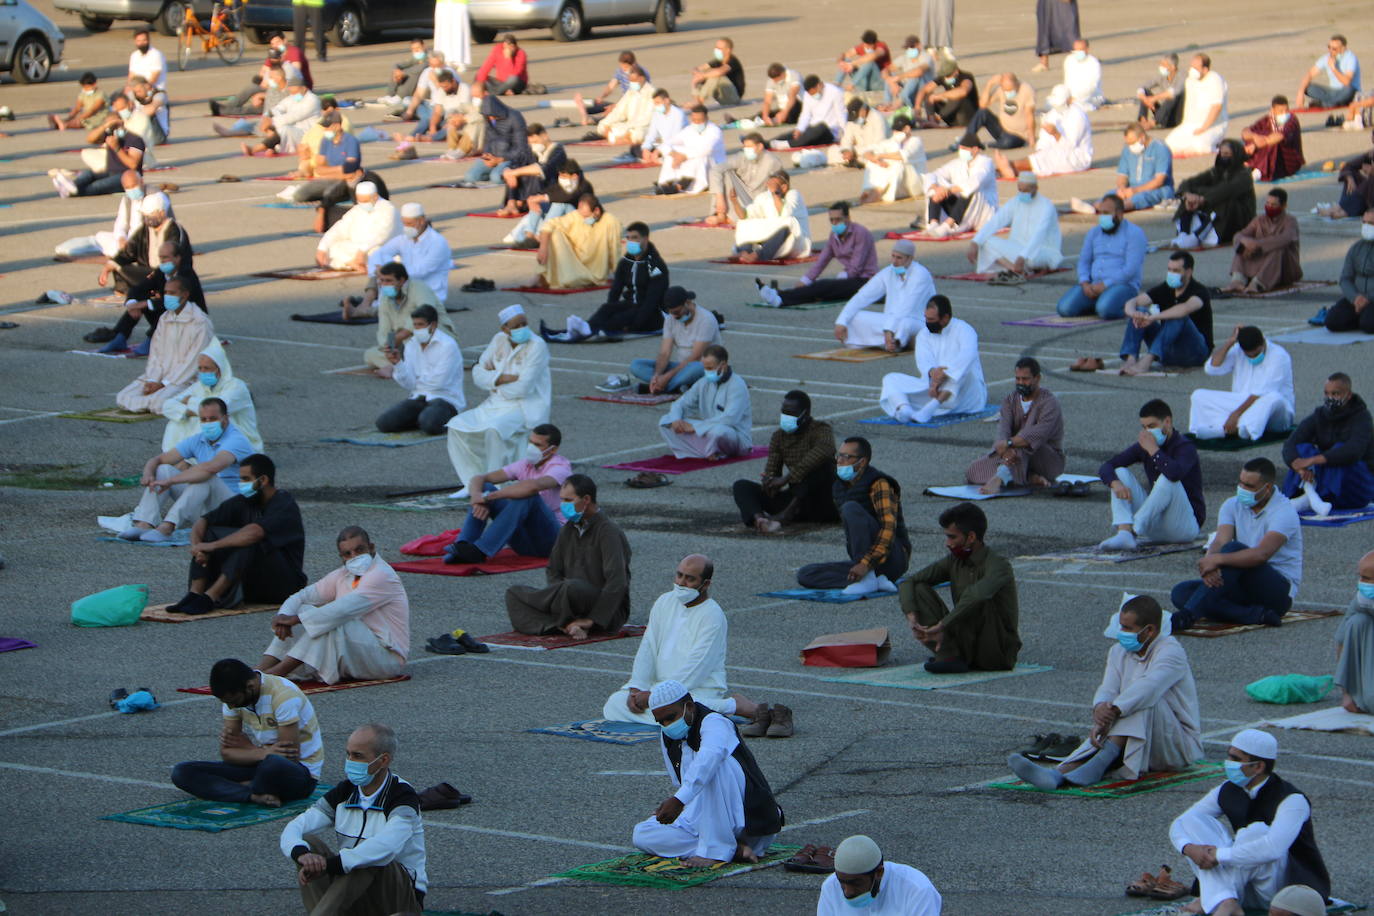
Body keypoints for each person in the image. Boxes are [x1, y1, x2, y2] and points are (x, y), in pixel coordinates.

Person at [1010, 595, 1201, 791]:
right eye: (1121, 626)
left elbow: (1149, 686)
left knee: (1141, 701)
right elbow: (1108, 688)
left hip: (1176, 746)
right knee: (1123, 703)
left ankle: (1096, 765)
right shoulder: (1118, 651)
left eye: (1128, 628)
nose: (1122, 632)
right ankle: (1058, 774)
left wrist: (1114, 711)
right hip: (1132, 734)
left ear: (1150, 630)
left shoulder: (1171, 651)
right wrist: (1101, 708)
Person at [604, 557, 784, 735]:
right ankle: (722, 709)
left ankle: (733, 706)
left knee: (683, 714)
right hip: (656, 688)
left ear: (705, 584)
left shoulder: (712, 615)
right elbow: (648, 648)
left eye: (690, 579)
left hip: (695, 689)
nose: (682, 583)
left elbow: (697, 668)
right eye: (679, 575)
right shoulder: (664, 601)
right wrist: (637, 688)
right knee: (614, 705)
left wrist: (653, 697)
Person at [1168, 729, 1330, 915]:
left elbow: (1272, 849)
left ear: (1258, 766)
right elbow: (1182, 823)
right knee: (1193, 821)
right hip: (1241, 886)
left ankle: (1212, 899)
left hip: (1281, 891)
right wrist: (1188, 848)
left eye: (1235, 759)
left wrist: (1218, 854)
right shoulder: (1227, 790)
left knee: (1256, 832)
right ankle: (1226, 900)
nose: (1228, 763)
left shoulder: (1292, 800)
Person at [635, 679, 786, 871]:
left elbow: (708, 760)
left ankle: (716, 850)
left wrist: (679, 800)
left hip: (745, 814)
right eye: (661, 721)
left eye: (670, 718)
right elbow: (683, 785)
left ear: (689, 707)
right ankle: (734, 850)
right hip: (702, 815)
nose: (667, 725)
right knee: (642, 833)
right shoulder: (668, 735)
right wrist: (677, 808)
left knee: (716, 768)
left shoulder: (715, 722)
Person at [280, 724, 429, 914]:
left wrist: (330, 865)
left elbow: (386, 847)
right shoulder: (345, 791)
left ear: (383, 760)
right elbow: (296, 827)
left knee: (367, 858)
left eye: (357, 756)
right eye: (348, 754)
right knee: (309, 843)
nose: (350, 761)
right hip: (353, 891)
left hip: (398, 898)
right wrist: (302, 855)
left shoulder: (402, 796)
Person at [162, 453, 307, 616]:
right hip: (253, 582)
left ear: (263, 480)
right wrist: (198, 548)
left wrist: (211, 546)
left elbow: (254, 533)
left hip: (283, 585)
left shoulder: (284, 504)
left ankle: (211, 597)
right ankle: (195, 594)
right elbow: (203, 522)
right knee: (210, 531)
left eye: (246, 479)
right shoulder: (244, 501)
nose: (241, 484)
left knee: (250, 540)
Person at [259, 527, 408, 685]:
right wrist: (283, 618)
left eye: (360, 550)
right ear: (341, 557)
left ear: (371, 548)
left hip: (386, 659)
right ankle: (262, 668)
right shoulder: (343, 574)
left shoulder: (381, 575)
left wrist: (295, 619)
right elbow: (301, 597)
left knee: (333, 620)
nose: (354, 557)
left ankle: (277, 672)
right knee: (304, 608)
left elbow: (342, 610)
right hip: (356, 650)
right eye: (347, 554)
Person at [1171, 458, 1303, 630]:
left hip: (1276, 589)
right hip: (1241, 582)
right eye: (1240, 483)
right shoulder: (1232, 505)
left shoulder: (1284, 512)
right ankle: (1256, 615)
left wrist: (1218, 560)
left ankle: (1187, 616)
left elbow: (1261, 554)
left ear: (1267, 488)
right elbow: (1220, 541)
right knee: (1181, 593)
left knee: (1232, 551)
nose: (1242, 489)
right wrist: (1209, 564)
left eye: (1249, 486)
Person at [172, 659, 322, 807]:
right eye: (226, 702)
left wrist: (251, 751)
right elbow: (228, 754)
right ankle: (252, 794)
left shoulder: (284, 696)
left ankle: (236, 788)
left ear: (250, 686)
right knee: (182, 771)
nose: (230, 706)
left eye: (233, 701)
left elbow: (289, 758)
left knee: (273, 764)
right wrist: (262, 753)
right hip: (261, 764)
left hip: (298, 774)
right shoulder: (232, 700)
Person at [505, 474, 632, 639]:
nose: (563, 505)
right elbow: (553, 569)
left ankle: (579, 624)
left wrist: (593, 619)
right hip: (568, 600)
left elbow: (617, 581)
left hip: (606, 609)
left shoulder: (608, 531)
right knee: (514, 594)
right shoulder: (568, 529)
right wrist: (557, 596)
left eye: (568, 500)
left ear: (586, 500)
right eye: (562, 500)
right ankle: (567, 626)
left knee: (571, 588)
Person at [900, 501, 1019, 673]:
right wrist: (912, 615)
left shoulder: (999, 565)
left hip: (995, 651)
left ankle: (954, 654)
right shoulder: (954, 560)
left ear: (971, 537)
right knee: (918, 588)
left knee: (979, 598)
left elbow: (975, 597)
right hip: (965, 641)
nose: (947, 543)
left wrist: (942, 625)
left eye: (952, 537)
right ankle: (950, 655)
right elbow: (908, 582)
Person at [446, 306, 550, 496]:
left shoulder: (538, 345)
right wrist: (501, 377)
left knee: (494, 430)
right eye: (516, 325)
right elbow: (478, 373)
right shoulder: (498, 339)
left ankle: (493, 485)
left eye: (524, 324)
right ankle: (472, 482)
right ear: (505, 329)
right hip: (495, 403)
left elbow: (524, 387)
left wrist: (493, 382)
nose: (522, 328)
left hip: (525, 406)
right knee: (456, 426)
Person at [119, 398, 255, 544]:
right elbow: (158, 460)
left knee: (206, 477)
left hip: (235, 510)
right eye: (204, 419)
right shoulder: (199, 439)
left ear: (225, 418)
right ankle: (144, 524)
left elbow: (211, 468)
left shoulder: (236, 440)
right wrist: (148, 473)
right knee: (163, 469)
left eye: (213, 418)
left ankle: (168, 527)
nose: (208, 423)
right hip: (207, 508)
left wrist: (171, 481)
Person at [796, 436, 911, 595]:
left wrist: (865, 564)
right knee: (806, 574)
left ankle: (868, 578)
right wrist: (861, 565)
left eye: (846, 457)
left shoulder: (879, 483)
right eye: (839, 456)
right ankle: (875, 580)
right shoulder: (839, 486)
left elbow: (889, 529)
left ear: (862, 462)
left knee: (851, 508)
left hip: (892, 557)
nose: (840, 461)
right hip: (864, 561)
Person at [447, 424, 571, 564]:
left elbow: (532, 487)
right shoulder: (525, 465)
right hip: (525, 543)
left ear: (553, 449)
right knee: (485, 487)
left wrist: (488, 497)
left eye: (537, 445)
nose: (531, 448)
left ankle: (481, 551)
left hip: (552, 542)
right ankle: (462, 546)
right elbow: (480, 478)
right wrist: (477, 497)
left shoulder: (560, 468)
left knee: (528, 496)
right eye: (530, 442)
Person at [1098, 399, 1206, 550]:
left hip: (1184, 526)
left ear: (1167, 422)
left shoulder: (1185, 447)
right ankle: (1124, 533)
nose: (1148, 431)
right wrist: (1115, 483)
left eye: (1152, 426)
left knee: (1167, 478)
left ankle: (1134, 530)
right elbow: (1107, 466)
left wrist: (1153, 450)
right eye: (1144, 427)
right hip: (1154, 523)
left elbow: (1174, 474)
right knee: (1119, 472)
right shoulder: (1146, 444)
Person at [733, 390, 838, 534]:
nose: (786, 417)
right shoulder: (779, 436)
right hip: (797, 499)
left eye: (791, 413)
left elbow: (824, 452)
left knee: (820, 466)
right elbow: (773, 467)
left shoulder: (820, 430)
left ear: (805, 414)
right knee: (741, 486)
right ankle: (760, 520)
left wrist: (786, 478)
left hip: (822, 501)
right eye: (784, 412)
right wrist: (769, 481)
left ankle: (786, 515)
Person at [549, 222, 668, 340]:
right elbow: (616, 290)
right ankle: (588, 327)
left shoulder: (656, 266)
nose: (631, 242)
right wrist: (612, 307)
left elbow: (652, 300)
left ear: (645, 239)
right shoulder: (625, 262)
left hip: (653, 313)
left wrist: (634, 326)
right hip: (631, 304)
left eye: (635, 238)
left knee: (618, 319)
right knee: (606, 309)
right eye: (628, 238)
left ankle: (590, 330)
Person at [880, 295, 987, 425]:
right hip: (933, 388)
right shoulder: (924, 334)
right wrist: (933, 375)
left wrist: (945, 374)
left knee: (961, 371)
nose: (927, 322)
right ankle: (905, 410)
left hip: (966, 395)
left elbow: (967, 356)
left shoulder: (965, 330)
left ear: (945, 318)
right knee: (891, 378)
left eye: (931, 319)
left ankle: (929, 410)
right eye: (926, 318)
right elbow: (924, 362)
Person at [1281, 373, 1374, 516]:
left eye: (1335, 393)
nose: (1330, 398)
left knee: (1338, 452)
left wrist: (1313, 460)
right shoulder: (1320, 415)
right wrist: (1298, 466)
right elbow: (1291, 443)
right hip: (1327, 476)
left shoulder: (1362, 418)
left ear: (1348, 395)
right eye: (1327, 393)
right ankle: (1310, 495)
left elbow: (1353, 451)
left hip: (1357, 482)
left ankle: (1311, 496)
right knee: (1303, 449)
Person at [114, 279, 213, 413]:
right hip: (160, 376)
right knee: (123, 398)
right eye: (166, 292)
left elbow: (194, 361)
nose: (167, 296)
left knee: (158, 404)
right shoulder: (165, 318)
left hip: (184, 379)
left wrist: (164, 384)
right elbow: (156, 354)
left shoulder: (199, 322)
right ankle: (153, 398)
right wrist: (153, 379)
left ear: (185, 295)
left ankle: (196, 399)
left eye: (172, 293)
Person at [966, 358, 1062, 494]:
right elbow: (1003, 430)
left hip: (1046, 459)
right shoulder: (1010, 400)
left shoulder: (1049, 403)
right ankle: (1028, 477)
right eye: (1018, 379)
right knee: (974, 470)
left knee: (1023, 445)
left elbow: (1037, 435)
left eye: (1025, 379)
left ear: (1037, 378)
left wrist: (1010, 443)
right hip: (1012, 454)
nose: (1021, 383)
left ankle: (999, 479)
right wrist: (1005, 449)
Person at [758, 202, 878, 307]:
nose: (835, 223)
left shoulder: (861, 233)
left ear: (848, 218)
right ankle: (780, 298)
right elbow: (822, 261)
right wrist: (805, 280)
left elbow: (856, 267)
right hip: (849, 279)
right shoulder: (834, 236)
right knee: (816, 288)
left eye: (838, 219)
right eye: (832, 220)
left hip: (865, 281)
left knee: (823, 286)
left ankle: (780, 296)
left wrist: (839, 280)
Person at [1189, 326, 1295, 442]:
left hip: (1275, 413)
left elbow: (1261, 393)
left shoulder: (1279, 356)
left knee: (1274, 398)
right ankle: (1215, 428)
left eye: (1255, 354)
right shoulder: (1238, 350)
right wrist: (1229, 343)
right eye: (1248, 355)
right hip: (1244, 403)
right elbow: (1212, 368)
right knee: (1199, 395)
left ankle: (1239, 429)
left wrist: (1236, 414)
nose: (1252, 358)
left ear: (1263, 343)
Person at [1118, 251, 1214, 375]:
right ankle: (1131, 359)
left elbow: (1185, 308)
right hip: (1167, 350)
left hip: (1194, 353)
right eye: (1169, 270)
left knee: (1178, 316)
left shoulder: (1200, 291)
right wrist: (1133, 314)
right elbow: (1133, 302)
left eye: (1176, 271)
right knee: (1140, 311)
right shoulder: (1166, 288)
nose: (1171, 274)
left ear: (1188, 272)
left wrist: (1153, 317)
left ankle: (1147, 360)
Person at [375, 306, 464, 436]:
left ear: (433, 325)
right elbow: (409, 384)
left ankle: (441, 418)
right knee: (384, 423)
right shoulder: (412, 344)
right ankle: (422, 417)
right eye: (415, 325)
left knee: (429, 424)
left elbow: (438, 383)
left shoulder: (448, 346)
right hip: (419, 398)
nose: (417, 329)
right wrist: (398, 363)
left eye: (421, 325)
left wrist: (417, 381)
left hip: (445, 399)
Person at [161, 340, 263, 452]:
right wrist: (187, 412)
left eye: (207, 368)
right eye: (200, 368)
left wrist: (190, 401)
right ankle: (176, 457)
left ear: (219, 369)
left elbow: (217, 408)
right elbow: (167, 405)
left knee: (211, 421)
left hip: (243, 443)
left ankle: (199, 460)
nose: (203, 372)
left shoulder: (237, 387)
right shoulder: (199, 386)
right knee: (177, 422)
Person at [834, 239, 937, 350]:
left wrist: (889, 329)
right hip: (890, 321)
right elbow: (863, 296)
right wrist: (841, 321)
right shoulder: (888, 272)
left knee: (905, 325)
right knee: (854, 317)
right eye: (893, 256)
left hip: (917, 321)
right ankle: (890, 341)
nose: (894, 261)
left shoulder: (921, 274)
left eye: (899, 258)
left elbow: (907, 307)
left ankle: (895, 342)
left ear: (910, 259)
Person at [1057, 195, 1147, 319]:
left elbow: (1130, 269)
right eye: (1100, 213)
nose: (1102, 217)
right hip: (1094, 285)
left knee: (1105, 310)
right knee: (1064, 309)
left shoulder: (1134, 233)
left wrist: (1105, 285)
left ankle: (1134, 309)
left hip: (1122, 286)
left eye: (1106, 213)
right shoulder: (1094, 233)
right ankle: (1103, 304)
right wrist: (1084, 283)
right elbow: (1084, 261)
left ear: (1119, 214)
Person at [657, 345, 752, 461]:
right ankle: (705, 452)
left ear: (723, 365)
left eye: (710, 368)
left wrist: (695, 427)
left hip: (735, 437)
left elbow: (730, 419)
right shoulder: (703, 382)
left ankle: (704, 451)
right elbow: (680, 403)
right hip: (707, 431)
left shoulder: (737, 385)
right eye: (705, 368)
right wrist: (677, 420)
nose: (707, 372)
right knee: (666, 421)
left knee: (719, 431)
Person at [353, 263, 452, 374]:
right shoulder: (386, 299)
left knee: (420, 343)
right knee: (370, 354)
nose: (384, 285)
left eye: (389, 281)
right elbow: (385, 329)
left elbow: (427, 311)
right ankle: (396, 366)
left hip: (433, 337)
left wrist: (402, 335)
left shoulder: (418, 288)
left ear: (402, 280)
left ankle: (400, 366)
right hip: (406, 345)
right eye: (382, 280)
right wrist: (388, 348)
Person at [967, 172, 1062, 280]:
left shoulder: (1046, 206)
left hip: (1043, 251)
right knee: (985, 242)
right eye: (1020, 190)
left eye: (1026, 190)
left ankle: (1018, 266)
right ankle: (1015, 269)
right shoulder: (1016, 201)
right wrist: (975, 242)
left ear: (1035, 188)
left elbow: (1039, 235)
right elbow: (996, 221)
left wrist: (1023, 256)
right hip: (1017, 248)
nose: (1022, 193)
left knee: (1030, 260)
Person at [626, 287, 721, 394]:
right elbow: (664, 353)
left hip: (704, 367)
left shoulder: (706, 319)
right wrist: (657, 375)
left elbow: (696, 356)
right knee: (637, 365)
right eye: (671, 313)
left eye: (677, 312)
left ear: (687, 303)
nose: (675, 316)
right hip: (681, 367)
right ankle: (671, 385)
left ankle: (659, 388)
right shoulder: (670, 319)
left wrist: (666, 377)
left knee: (697, 367)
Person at [818, 835, 942, 915]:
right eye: (842, 882)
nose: (848, 891)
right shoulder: (830, 887)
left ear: (879, 873)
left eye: (855, 883)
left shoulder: (917, 891)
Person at [994, 84, 1091, 179]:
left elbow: (1070, 145)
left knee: (1050, 157)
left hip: (1077, 157)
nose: (1057, 107)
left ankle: (1009, 165)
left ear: (1070, 100)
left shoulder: (1078, 116)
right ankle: (1009, 170)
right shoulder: (1052, 114)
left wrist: (1056, 134)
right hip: (1053, 152)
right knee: (1041, 157)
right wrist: (1041, 151)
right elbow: (1043, 140)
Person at [1071, 124, 1173, 214]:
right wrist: (1122, 189)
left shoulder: (1160, 149)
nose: (1130, 146)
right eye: (1128, 143)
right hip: (1131, 188)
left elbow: (1159, 180)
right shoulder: (1127, 149)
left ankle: (1111, 208)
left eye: (1132, 143)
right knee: (1111, 194)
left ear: (1142, 137)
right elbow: (1122, 175)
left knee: (1139, 198)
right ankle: (1095, 207)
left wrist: (1135, 190)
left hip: (1155, 190)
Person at [1173, 140, 1256, 247]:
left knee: (1224, 201)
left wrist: (1200, 198)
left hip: (1239, 218)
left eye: (1226, 154)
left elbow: (1224, 191)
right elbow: (1189, 182)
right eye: (1221, 153)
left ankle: (1197, 237)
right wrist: (1187, 194)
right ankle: (1183, 233)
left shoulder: (1244, 175)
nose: (1222, 157)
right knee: (1188, 197)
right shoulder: (1217, 171)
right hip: (1213, 203)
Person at [364, 202, 452, 302]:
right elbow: (380, 253)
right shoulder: (404, 239)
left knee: (388, 282)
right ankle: (365, 305)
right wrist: (380, 269)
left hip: (428, 294)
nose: (406, 227)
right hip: (404, 287)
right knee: (379, 273)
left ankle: (365, 309)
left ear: (422, 221)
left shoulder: (438, 243)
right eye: (404, 223)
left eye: (409, 224)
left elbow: (420, 271)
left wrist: (389, 273)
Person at [1223, 189, 1302, 295]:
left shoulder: (1290, 221)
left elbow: (1285, 238)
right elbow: (1239, 235)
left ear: (1284, 206)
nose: (1269, 207)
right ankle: (1238, 280)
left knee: (1278, 249)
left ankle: (1258, 283)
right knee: (1242, 247)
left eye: (1274, 205)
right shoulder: (1259, 220)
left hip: (1284, 267)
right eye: (1268, 203)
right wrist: (1245, 241)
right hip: (1261, 260)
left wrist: (1257, 244)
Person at [536, 193, 622, 289]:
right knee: (553, 233)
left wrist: (619, 275)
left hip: (595, 272)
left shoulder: (611, 221)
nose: (583, 219)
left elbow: (615, 250)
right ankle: (543, 277)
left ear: (596, 211)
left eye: (586, 216)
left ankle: (567, 278)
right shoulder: (577, 215)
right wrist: (543, 247)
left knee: (569, 281)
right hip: (574, 263)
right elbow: (549, 225)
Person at [503, 157, 593, 247]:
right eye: (560, 175)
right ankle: (529, 236)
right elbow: (549, 191)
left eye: (564, 176)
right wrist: (532, 200)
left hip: (580, 221)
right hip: (565, 220)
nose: (561, 178)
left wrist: (543, 197)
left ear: (574, 176)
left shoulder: (584, 186)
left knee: (560, 204)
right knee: (540, 204)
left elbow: (567, 197)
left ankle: (540, 237)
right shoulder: (564, 184)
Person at [49, 117, 145, 199]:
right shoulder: (110, 135)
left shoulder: (134, 139)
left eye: (115, 125)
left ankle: (72, 192)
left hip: (127, 177)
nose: (113, 129)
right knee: (89, 173)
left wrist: (116, 148)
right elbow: (90, 139)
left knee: (97, 186)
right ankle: (72, 186)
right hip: (110, 172)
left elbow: (133, 164)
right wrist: (104, 127)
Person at [919, 140, 998, 237]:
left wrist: (948, 191)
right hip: (961, 207)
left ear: (975, 149)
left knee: (969, 190)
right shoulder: (958, 162)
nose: (961, 151)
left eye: (964, 149)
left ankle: (946, 226)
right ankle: (933, 224)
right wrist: (937, 188)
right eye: (960, 148)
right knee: (934, 188)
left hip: (982, 209)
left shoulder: (985, 162)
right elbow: (934, 175)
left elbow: (975, 181)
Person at [316, 182, 399, 272]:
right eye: (359, 201)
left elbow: (382, 235)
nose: (362, 204)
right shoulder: (357, 209)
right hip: (358, 249)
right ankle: (353, 263)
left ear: (375, 196)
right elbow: (339, 229)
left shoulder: (388, 209)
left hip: (380, 248)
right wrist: (322, 248)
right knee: (334, 247)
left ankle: (351, 263)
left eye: (364, 201)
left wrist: (362, 251)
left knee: (377, 252)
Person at [731, 169, 811, 262]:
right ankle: (744, 252)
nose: (769, 187)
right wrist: (734, 201)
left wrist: (775, 193)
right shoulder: (764, 197)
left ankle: (758, 255)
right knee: (744, 223)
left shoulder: (794, 195)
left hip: (795, 241)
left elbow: (785, 214)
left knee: (787, 223)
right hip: (771, 240)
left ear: (784, 187)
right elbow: (744, 216)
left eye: (773, 185)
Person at [704, 132, 783, 226]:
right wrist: (719, 197)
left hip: (760, 198)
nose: (747, 150)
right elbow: (715, 170)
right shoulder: (741, 156)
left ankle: (734, 217)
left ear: (760, 146)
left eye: (750, 147)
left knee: (729, 176)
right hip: (743, 195)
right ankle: (721, 214)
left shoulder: (772, 161)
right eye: (745, 147)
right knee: (725, 172)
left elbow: (775, 185)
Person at [654, 105, 725, 195]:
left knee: (701, 156)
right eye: (694, 120)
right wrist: (672, 154)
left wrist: (684, 156)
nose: (697, 123)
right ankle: (666, 183)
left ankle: (681, 186)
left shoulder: (714, 130)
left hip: (713, 163)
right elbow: (669, 142)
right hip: (689, 159)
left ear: (706, 118)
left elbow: (707, 149)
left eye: (700, 120)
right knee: (672, 152)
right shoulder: (689, 129)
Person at [1166, 54, 1229, 155]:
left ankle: (1218, 147)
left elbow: (1217, 107)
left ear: (1205, 69)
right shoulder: (1190, 81)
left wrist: (1204, 128)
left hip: (1213, 126)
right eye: (1191, 67)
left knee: (1200, 147)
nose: (1192, 70)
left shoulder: (1215, 79)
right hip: (1190, 125)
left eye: (1195, 68)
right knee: (1169, 144)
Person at [1336, 550, 1374, 714]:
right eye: (1361, 576)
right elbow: (1341, 639)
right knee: (1357, 622)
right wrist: (1347, 693)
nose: (1361, 583)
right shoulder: (1363, 599)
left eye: (1366, 578)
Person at [1323, 210, 1374, 333]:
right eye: (1364, 222)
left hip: (1372, 298)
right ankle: (1361, 314)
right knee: (1332, 321)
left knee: (1368, 325)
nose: (1366, 226)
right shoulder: (1356, 248)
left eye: (1371, 223)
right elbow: (1345, 278)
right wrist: (1355, 298)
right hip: (1356, 297)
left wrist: (1367, 298)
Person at [858, 115, 926, 204]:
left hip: (915, 183)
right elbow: (868, 150)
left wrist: (880, 156)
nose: (895, 133)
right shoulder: (893, 142)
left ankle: (878, 191)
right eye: (894, 130)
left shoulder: (916, 141)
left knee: (898, 164)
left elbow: (902, 155)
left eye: (898, 130)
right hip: (900, 183)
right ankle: (872, 189)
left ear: (907, 129)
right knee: (872, 163)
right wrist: (875, 159)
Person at [961, 72, 1035, 152]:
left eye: (1011, 90)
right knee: (983, 113)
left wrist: (1031, 137)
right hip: (1002, 129)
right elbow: (983, 105)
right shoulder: (1000, 89)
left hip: (1019, 135)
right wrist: (989, 85)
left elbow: (1029, 114)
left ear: (1017, 84)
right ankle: (967, 140)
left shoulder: (1026, 90)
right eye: (1005, 90)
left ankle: (986, 146)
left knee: (1008, 142)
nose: (1008, 93)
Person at [573, 50, 648, 125]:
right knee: (599, 106)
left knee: (613, 113)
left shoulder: (641, 74)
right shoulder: (620, 71)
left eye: (625, 67)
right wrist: (601, 97)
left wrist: (617, 106)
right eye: (621, 66)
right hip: (622, 102)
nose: (623, 69)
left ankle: (591, 119)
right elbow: (611, 86)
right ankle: (585, 112)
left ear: (633, 64)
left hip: (634, 105)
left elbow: (641, 96)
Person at [773, 75, 846, 149]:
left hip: (829, 131)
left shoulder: (835, 92)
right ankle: (769, 143)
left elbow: (841, 114)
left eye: (814, 93)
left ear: (818, 86)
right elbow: (805, 115)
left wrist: (845, 134)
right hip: (812, 128)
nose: (813, 96)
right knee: (793, 134)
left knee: (820, 128)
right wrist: (799, 129)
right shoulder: (807, 95)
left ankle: (786, 145)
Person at [1244, 97, 1304, 183]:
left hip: (1289, 162)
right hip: (1270, 157)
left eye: (1286, 110)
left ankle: (1260, 171)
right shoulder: (1267, 120)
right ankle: (1248, 165)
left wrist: (1255, 145)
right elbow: (1245, 132)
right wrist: (1254, 137)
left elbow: (1278, 136)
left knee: (1273, 141)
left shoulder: (1292, 120)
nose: (1284, 114)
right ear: (1273, 110)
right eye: (1280, 111)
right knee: (1256, 136)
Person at [1314, 141, 1374, 222]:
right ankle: (1342, 208)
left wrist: (1371, 171)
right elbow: (1348, 166)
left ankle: (1343, 210)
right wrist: (1350, 178)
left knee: (1370, 181)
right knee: (1351, 174)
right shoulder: (1371, 154)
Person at [1297, 35, 1361, 109]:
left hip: (1347, 91)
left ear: (1343, 48)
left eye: (1334, 49)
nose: (1330, 50)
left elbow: (1346, 82)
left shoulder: (1351, 58)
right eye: (1329, 47)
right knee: (1307, 86)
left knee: (1348, 90)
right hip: (1332, 92)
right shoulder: (1326, 57)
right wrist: (1300, 92)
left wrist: (1333, 68)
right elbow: (1310, 74)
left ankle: (1327, 104)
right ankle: (1332, 103)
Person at [596, 66, 655, 144]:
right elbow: (619, 111)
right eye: (630, 81)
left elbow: (647, 119)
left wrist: (626, 127)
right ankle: (622, 137)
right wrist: (607, 123)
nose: (632, 83)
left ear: (641, 78)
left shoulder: (652, 93)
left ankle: (621, 137)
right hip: (627, 126)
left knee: (638, 134)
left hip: (644, 127)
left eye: (634, 81)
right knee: (602, 126)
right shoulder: (631, 92)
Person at [914, 59, 978, 128]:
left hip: (968, 116)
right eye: (944, 75)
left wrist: (940, 96)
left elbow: (963, 91)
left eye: (948, 75)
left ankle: (938, 120)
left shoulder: (966, 77)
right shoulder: (943, 77)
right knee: (929, 96)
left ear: (956, 71)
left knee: (957, 95)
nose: (946, 78)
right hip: (952, 115)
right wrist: (917, 108)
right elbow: (924, 89)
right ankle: (932, 121)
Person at [881, 36, 935, 111]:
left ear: (919, 45)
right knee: (891, 76)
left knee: (915, 77)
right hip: (908, 91)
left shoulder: (926, 57)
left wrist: (898, 78)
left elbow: (919, 71)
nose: (910, 49)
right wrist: (891, 82)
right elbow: (885, 71)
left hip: (922, 91)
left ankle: (900, 102)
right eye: (907, 47)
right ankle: (887, 103)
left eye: (912, 47)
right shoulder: (904, 58)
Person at [636, 88, 687, 165]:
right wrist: (646, 149)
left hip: (677, 145)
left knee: (672, 150)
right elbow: (652, 134)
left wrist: (658, 151)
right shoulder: (656, 114)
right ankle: (655, 157)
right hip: (663, 145)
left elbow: (674, 138)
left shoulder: (678, 114)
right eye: (655, 103)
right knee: (636, 148)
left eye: (658, 103)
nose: (656, 106)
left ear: (666, 101)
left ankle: (660, 157)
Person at [690, 38, 745, 108]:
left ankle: (700, 101)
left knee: (716, 76)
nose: (716, 50)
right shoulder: (718, 61)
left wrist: (703, 76)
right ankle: (696, 100)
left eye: (719, 48)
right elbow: (699, 68)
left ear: (728, 50)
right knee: (702, 76)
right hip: (721, 98)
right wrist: (697, 74)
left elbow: (720, 72)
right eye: (716, 47)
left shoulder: (733, 61)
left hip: (733, 98)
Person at [835, 30, 892, 96]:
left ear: (874, 43)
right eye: (865, 45)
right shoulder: (862, 46)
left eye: (868, 46)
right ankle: (837, 85)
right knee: (846, 60)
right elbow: (846, 54)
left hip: (879, 82)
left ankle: (852, 85)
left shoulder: (881, 46)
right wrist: (841, 61)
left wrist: (852, 64)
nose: (866, 47)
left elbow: (872, 56)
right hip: (864, 83)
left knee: (870, 63)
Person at [1138, 53, 1186, 129]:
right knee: (1145, 91)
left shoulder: (1183, 76)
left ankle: (1152, 123)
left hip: (1177, 116)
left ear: (1172, 67)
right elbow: (1141, 88)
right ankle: (1143, 121)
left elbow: (1174, 92)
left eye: (1164, 65)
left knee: (1172, 96)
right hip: (1163, 114)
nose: (1161, 67)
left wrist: (1154, 99)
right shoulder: (1162, 76)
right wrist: (1146, 99)